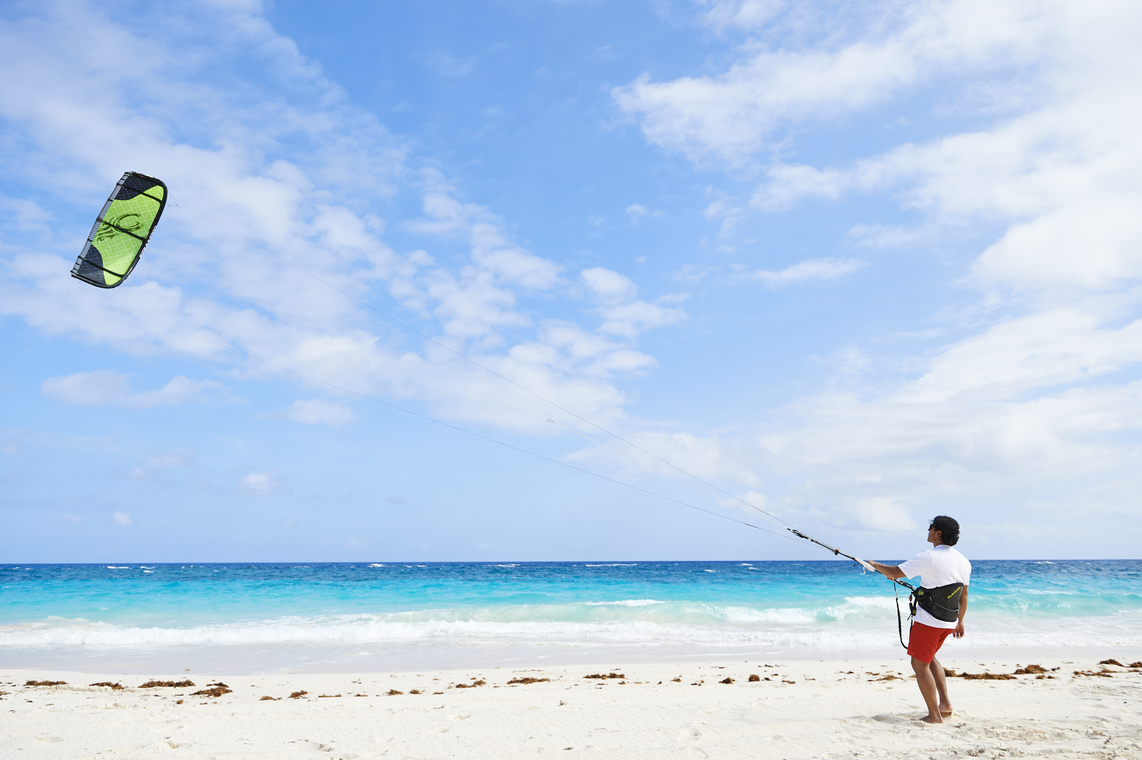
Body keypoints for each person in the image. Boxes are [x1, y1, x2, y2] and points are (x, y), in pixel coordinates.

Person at [868, 516, 970, 724]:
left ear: (938, 533)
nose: (928, 531)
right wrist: (960, 621)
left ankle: (934, 716)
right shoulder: (963, 560)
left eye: (931, 528)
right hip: (949, 622)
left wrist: (875, 564)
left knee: (919, 664)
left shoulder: (929, 556)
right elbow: (964, 595)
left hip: (929, 622)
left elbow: (896, 573)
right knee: (929, 657)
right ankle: (946, 705)